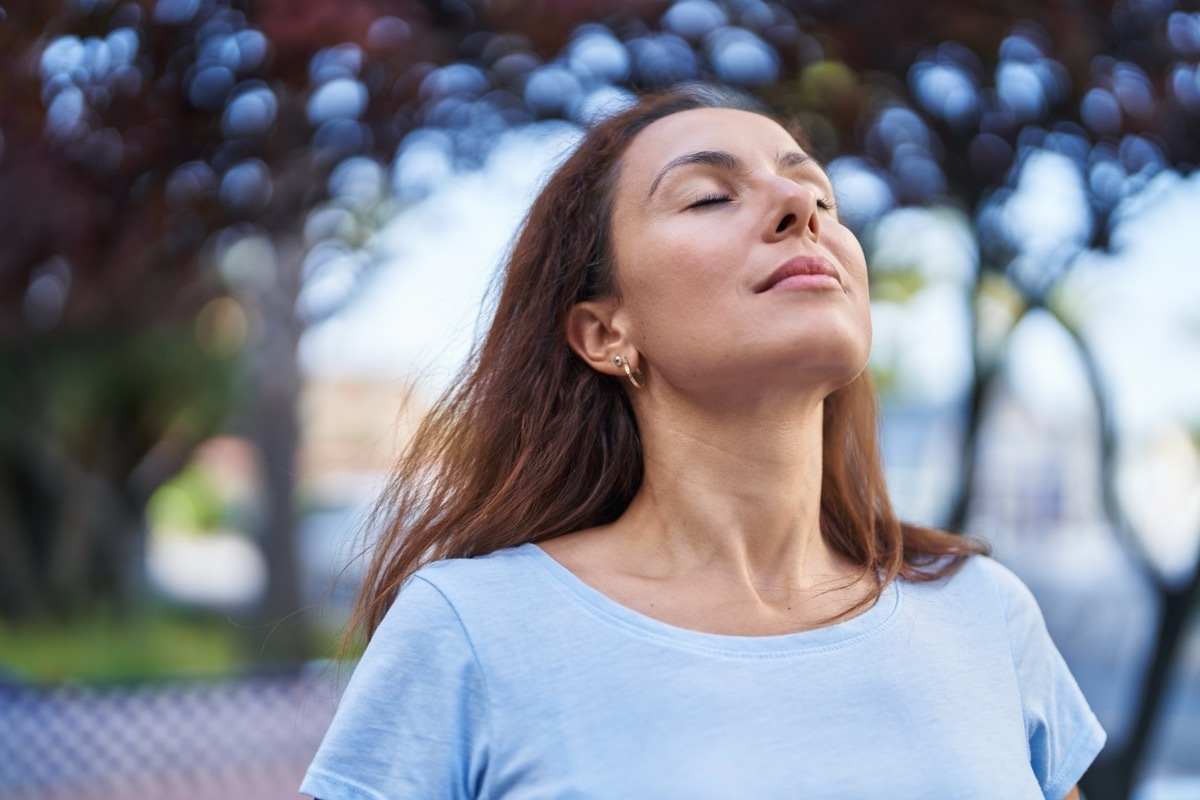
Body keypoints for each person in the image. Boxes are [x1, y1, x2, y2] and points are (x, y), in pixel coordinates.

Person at [301, 86, 1105, 800]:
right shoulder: (470, 631)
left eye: (818, 192)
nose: (802, 211)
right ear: (604, 331)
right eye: (710, 197)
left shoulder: (982, 613)